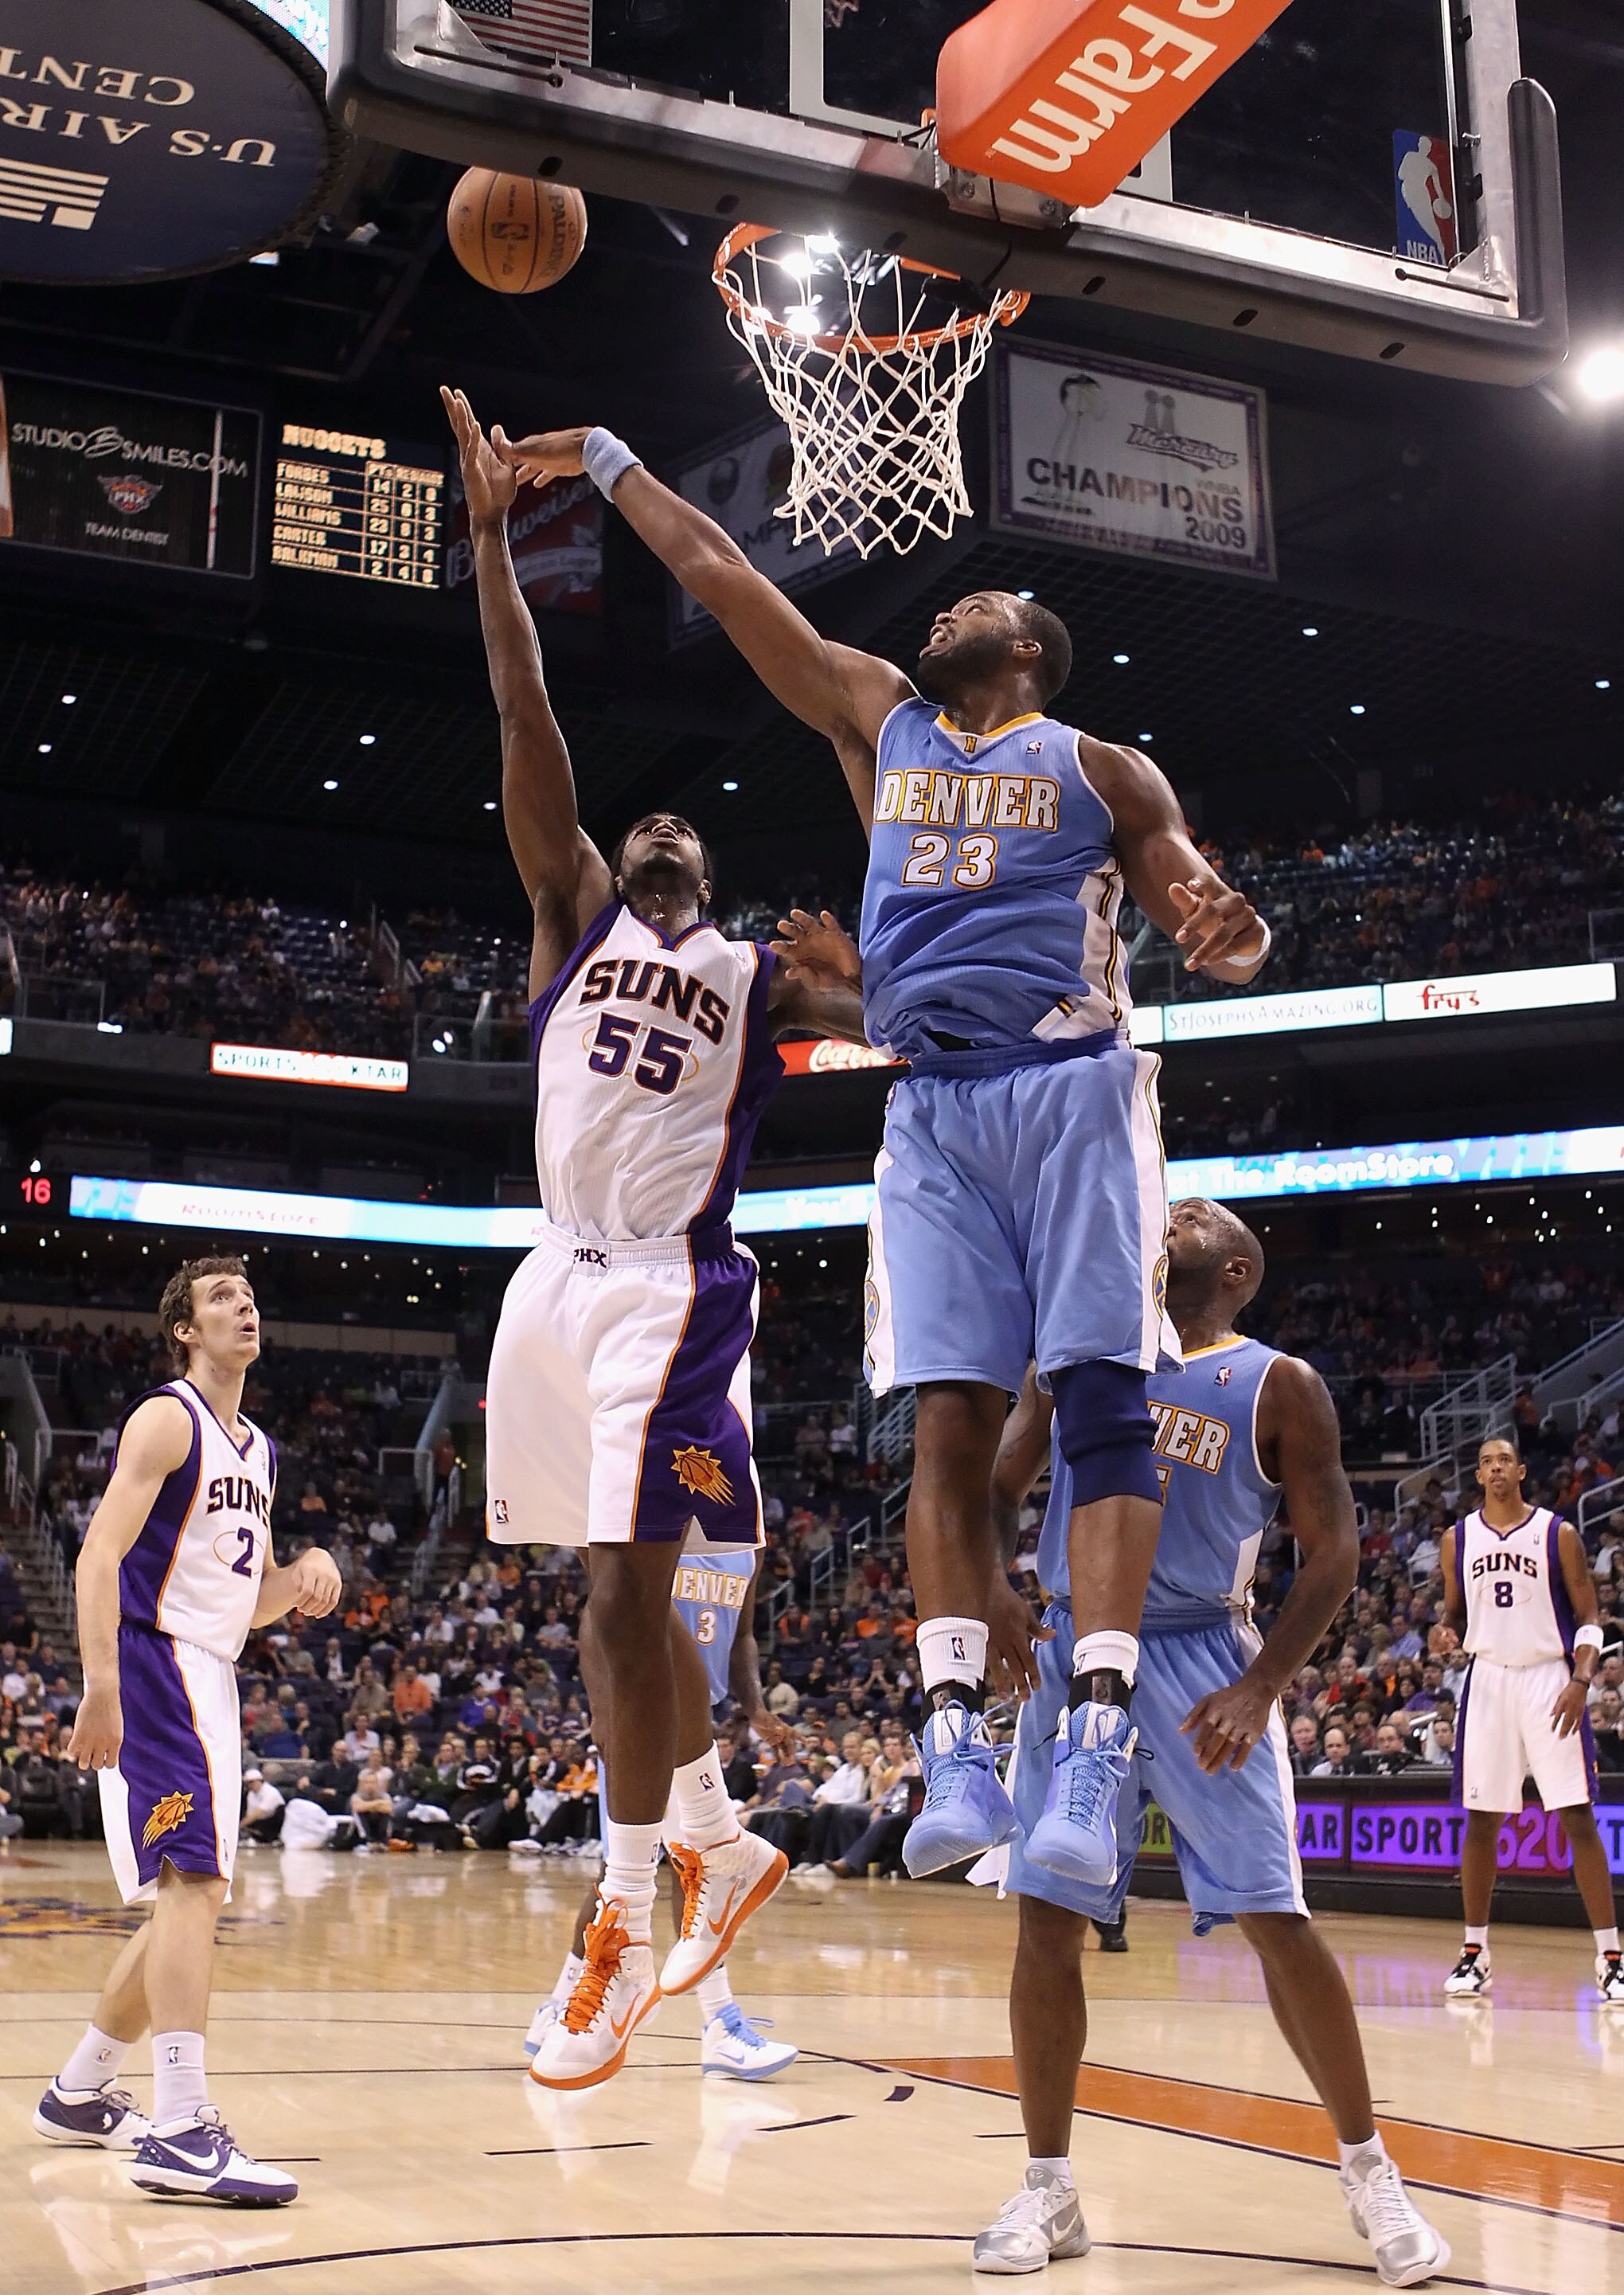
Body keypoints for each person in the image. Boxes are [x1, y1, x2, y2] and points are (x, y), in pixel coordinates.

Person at [496, 417, 1267, 1893]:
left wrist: (1236, 934)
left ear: (1034, 651)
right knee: (948, 1425)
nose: (949, 608)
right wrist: (602, 460)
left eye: (982, 607)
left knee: (1101, 1403)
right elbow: (724, 578)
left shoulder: (1103, 768)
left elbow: (1198, 903)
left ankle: (1096, 1744)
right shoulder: (881, 716)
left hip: (1070, 1083)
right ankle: (960, 1737)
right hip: (932, 1107)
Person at [443, 387, 869, 2088]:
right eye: (648, 827)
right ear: (616, 864)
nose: (666, 826)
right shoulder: (569, 920)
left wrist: (874, 960)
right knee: (604, 1612)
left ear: (717, 879)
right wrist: (488, 543)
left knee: (635, 1586)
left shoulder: (757, 975)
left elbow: (897, 993)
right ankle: (713, 1829)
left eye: (690, 830)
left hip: (675, 1287)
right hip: (554, 1281)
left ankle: (627, 1912)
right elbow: (523, 708)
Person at [973, 1197, 1446, 2286]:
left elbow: (1334, 1553)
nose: (1167, 1217)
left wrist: (1263, 1682)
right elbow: (997, 1487)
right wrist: (995, 1586)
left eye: (1191, 1216)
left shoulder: (1280, 1382)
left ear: (1237, 1268)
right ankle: (1048, 2189)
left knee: (1277, 1920)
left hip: (1200, 1665)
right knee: (1045, 1924)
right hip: (1073, 1647)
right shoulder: (1082, 1350)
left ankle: (1372, 2174)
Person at [33, 1255, 341, 2203]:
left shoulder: (262, 1450)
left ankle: (80, 2091)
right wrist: (99, 1686)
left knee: (185, 1897)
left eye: (249, 1295)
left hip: (209, 1667)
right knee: (194, 1884)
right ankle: (179, 2123)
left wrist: (303, 1578)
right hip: (154, 1662)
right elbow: (96, 1558)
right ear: (184, 1329)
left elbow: (242, 1603)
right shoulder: (169, 1418)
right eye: (221, 1299)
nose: (244, 1307)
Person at [525, 1552, 798, 2083]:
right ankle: (720, 2024)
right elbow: (604, 1615)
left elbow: (740, 1634)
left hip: (696, 1725)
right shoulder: (655, 1522)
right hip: (646, 1728)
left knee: (644, 1872)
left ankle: (558, 2007)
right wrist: (610, 1726)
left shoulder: (745, 1537)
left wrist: (756, 1707)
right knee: (679, 1867)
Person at [1439, 1433, 1623, 2004]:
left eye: (1505, 1461)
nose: (1496, 1469)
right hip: (1489, 1679)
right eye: (1487, 1462)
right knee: (1482, 1820)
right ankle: (1475, 1953)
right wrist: (1442, 1636)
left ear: (1521, 1472)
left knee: (1577, 1816)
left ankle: (1611, 1957)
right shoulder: (1456, 1539)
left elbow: (1591, 1618)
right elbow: (1451, 1616)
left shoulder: (1557, 1533)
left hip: (1550, 1679)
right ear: (1477, 1476)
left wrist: (1580, 1680)